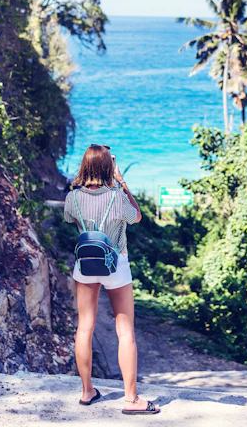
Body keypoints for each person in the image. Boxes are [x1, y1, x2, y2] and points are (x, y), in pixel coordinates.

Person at [64, 144, 160, 415]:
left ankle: (87, 392)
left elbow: (69, 218)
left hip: (85, 265)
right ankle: (131, 400)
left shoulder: (73, 197)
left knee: (85, 327)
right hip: (115, 264)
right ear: (109, 167)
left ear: (84, 165)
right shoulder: (117, 197)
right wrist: (122, 183)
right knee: (125, 330)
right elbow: (137, 217)